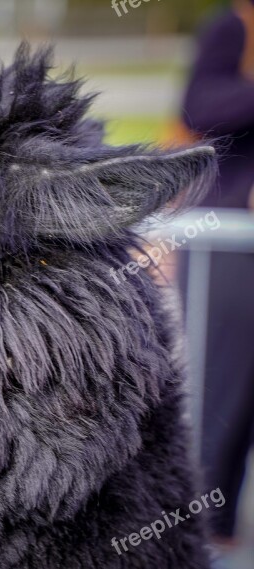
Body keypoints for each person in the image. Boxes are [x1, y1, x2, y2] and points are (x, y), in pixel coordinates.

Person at [180, 0, 254, 548]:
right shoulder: (233, 26)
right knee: (222, 387)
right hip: (227, 240)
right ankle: (203, 528)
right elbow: (198, 107)